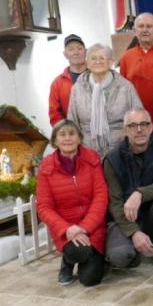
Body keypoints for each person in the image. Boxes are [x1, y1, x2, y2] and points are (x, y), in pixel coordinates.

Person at [104, 108, 153, 276]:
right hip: (126, 219)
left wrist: (139, 193)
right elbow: (115, 202)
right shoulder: (112, 159)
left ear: (151, 127)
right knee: (119, 257)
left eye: (143, 124)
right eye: (133, 125)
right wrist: (134, 232)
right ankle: (136, 249)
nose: (139, 129)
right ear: (125, 130)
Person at [36, 120, 108, 287]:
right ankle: (67, 263)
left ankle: (89, 258)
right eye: (62, 134)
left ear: (79, 138)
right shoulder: (46, 168)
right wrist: (67, 229)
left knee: (90, 280)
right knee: (78, 251)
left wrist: (84, 227)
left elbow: (101, 196)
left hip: (93, 226)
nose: (67, 138)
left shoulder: (92, 160)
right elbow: (44, 207)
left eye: (72, 134)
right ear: (55, 141)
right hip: (66, 229)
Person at [67, 43, 142, 158]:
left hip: (121, 150)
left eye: (102, 58)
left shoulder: (125, 87)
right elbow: (72, 121)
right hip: (87, 151)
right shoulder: (78, 88)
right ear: (87, 63)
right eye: (93, 58)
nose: (98, 61)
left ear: (111, 63)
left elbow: (138, 119)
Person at [119, 12, 153, 127]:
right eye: (141, 26)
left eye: (149, 26)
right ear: (134, 31)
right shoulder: (126, 57)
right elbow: (122, 92)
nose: (144, 30)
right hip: (137, 123)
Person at [49, 34, 87, 126]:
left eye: (79, 48)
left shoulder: (98, 74)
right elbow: (55, 113)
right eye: (71, 49)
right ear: (65, 54)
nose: (76, 52)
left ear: (86, 51)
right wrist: (68, 132)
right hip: (74, 134)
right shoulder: (58, 83)